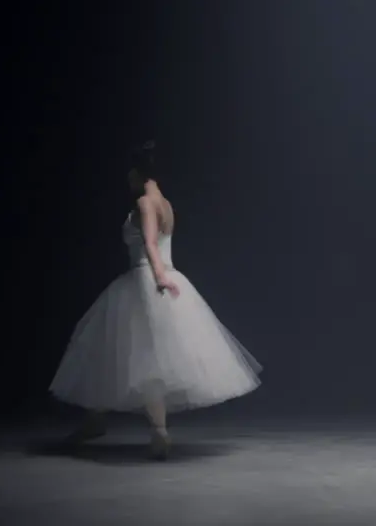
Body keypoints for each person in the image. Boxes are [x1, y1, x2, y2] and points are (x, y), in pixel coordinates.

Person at [49, 141, 261, 459]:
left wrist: (159, 277)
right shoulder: (166, 204)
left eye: (129, 175)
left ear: (136, 173)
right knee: (123, 353)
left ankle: (157, 432)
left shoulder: (145, 203)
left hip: (148, 279)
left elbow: (149, 243)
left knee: (142, 357)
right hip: (164, 276)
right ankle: (98, 420)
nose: (127, 181)